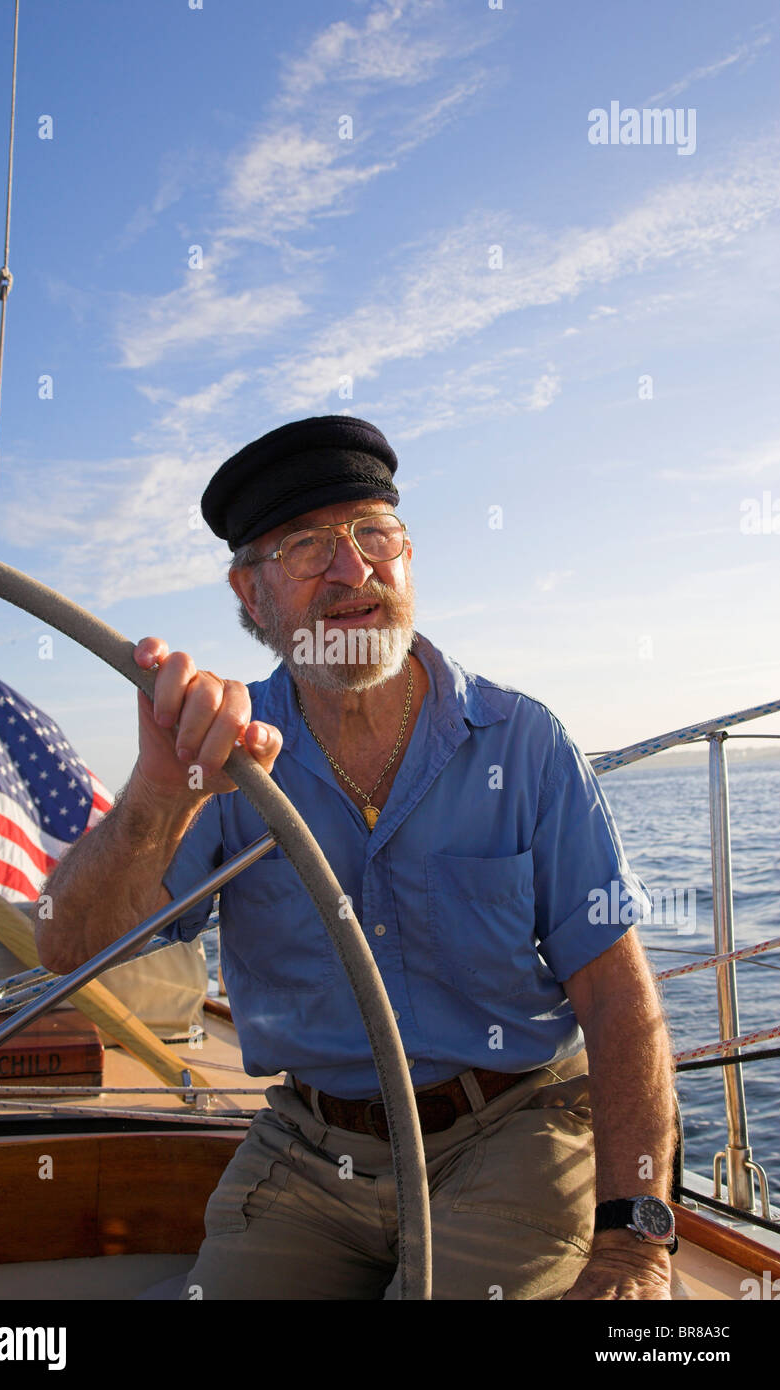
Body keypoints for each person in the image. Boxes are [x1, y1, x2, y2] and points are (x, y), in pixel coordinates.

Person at [36, 414, 677, 1301]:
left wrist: (635, 1245)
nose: (351, 570)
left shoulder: (522, 744)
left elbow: (615, 997)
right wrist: (159, 793)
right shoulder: (223, 759)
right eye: (306, 547)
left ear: (406, 556)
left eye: (373, 534)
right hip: (309, 1150)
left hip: (511, 1134)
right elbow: (66, 947)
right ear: (250, 595)